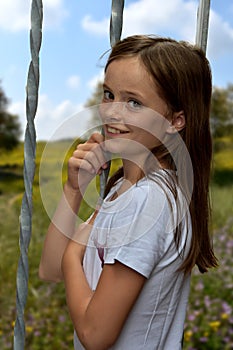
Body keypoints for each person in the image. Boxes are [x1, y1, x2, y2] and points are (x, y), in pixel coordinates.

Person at [39, 35, 218, 350]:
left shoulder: (149, 200)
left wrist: (72, 254)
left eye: (134, 102)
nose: (111, 113)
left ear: (176, 120)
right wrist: (73, 188)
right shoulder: (124, 189)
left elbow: (96, 335)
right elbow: (51, 269)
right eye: (109, 95)